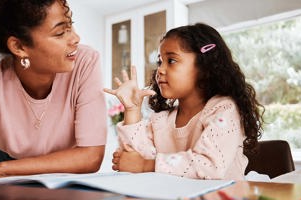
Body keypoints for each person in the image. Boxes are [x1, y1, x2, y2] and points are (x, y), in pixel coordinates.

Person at [104, 23, 264, 180]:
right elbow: (135, 158)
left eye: (171, 61)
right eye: (160, 61)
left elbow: (209, 166)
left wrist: (146, 165)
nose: (159, 69)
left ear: (204, 66)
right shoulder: (161, 120)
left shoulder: (224, 109)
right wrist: (132, 110)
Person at [0, 0, 107, 178]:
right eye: (59, 33)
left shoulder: (85, 61)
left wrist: (7, 168)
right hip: (7, 170)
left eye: (70, 25)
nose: (75, 38)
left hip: (63, 172)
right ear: (19, 47)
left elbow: (91, 156)